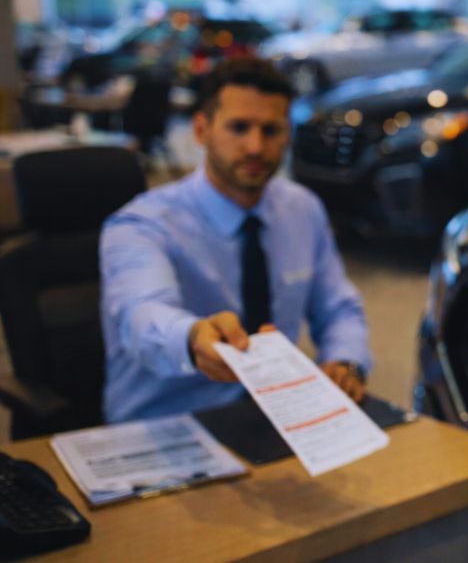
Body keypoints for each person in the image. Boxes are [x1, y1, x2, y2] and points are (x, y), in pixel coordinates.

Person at [101, 58, 372, 422]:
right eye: (239, 128)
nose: (256, 147)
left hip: (276, 418)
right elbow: (141, 314)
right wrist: (192, 337)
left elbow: (338, 308)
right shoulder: (141, 225)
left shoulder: (302, 210)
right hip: (169, 425)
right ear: (201, 130)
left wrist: (344, 359)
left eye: (271, 130)